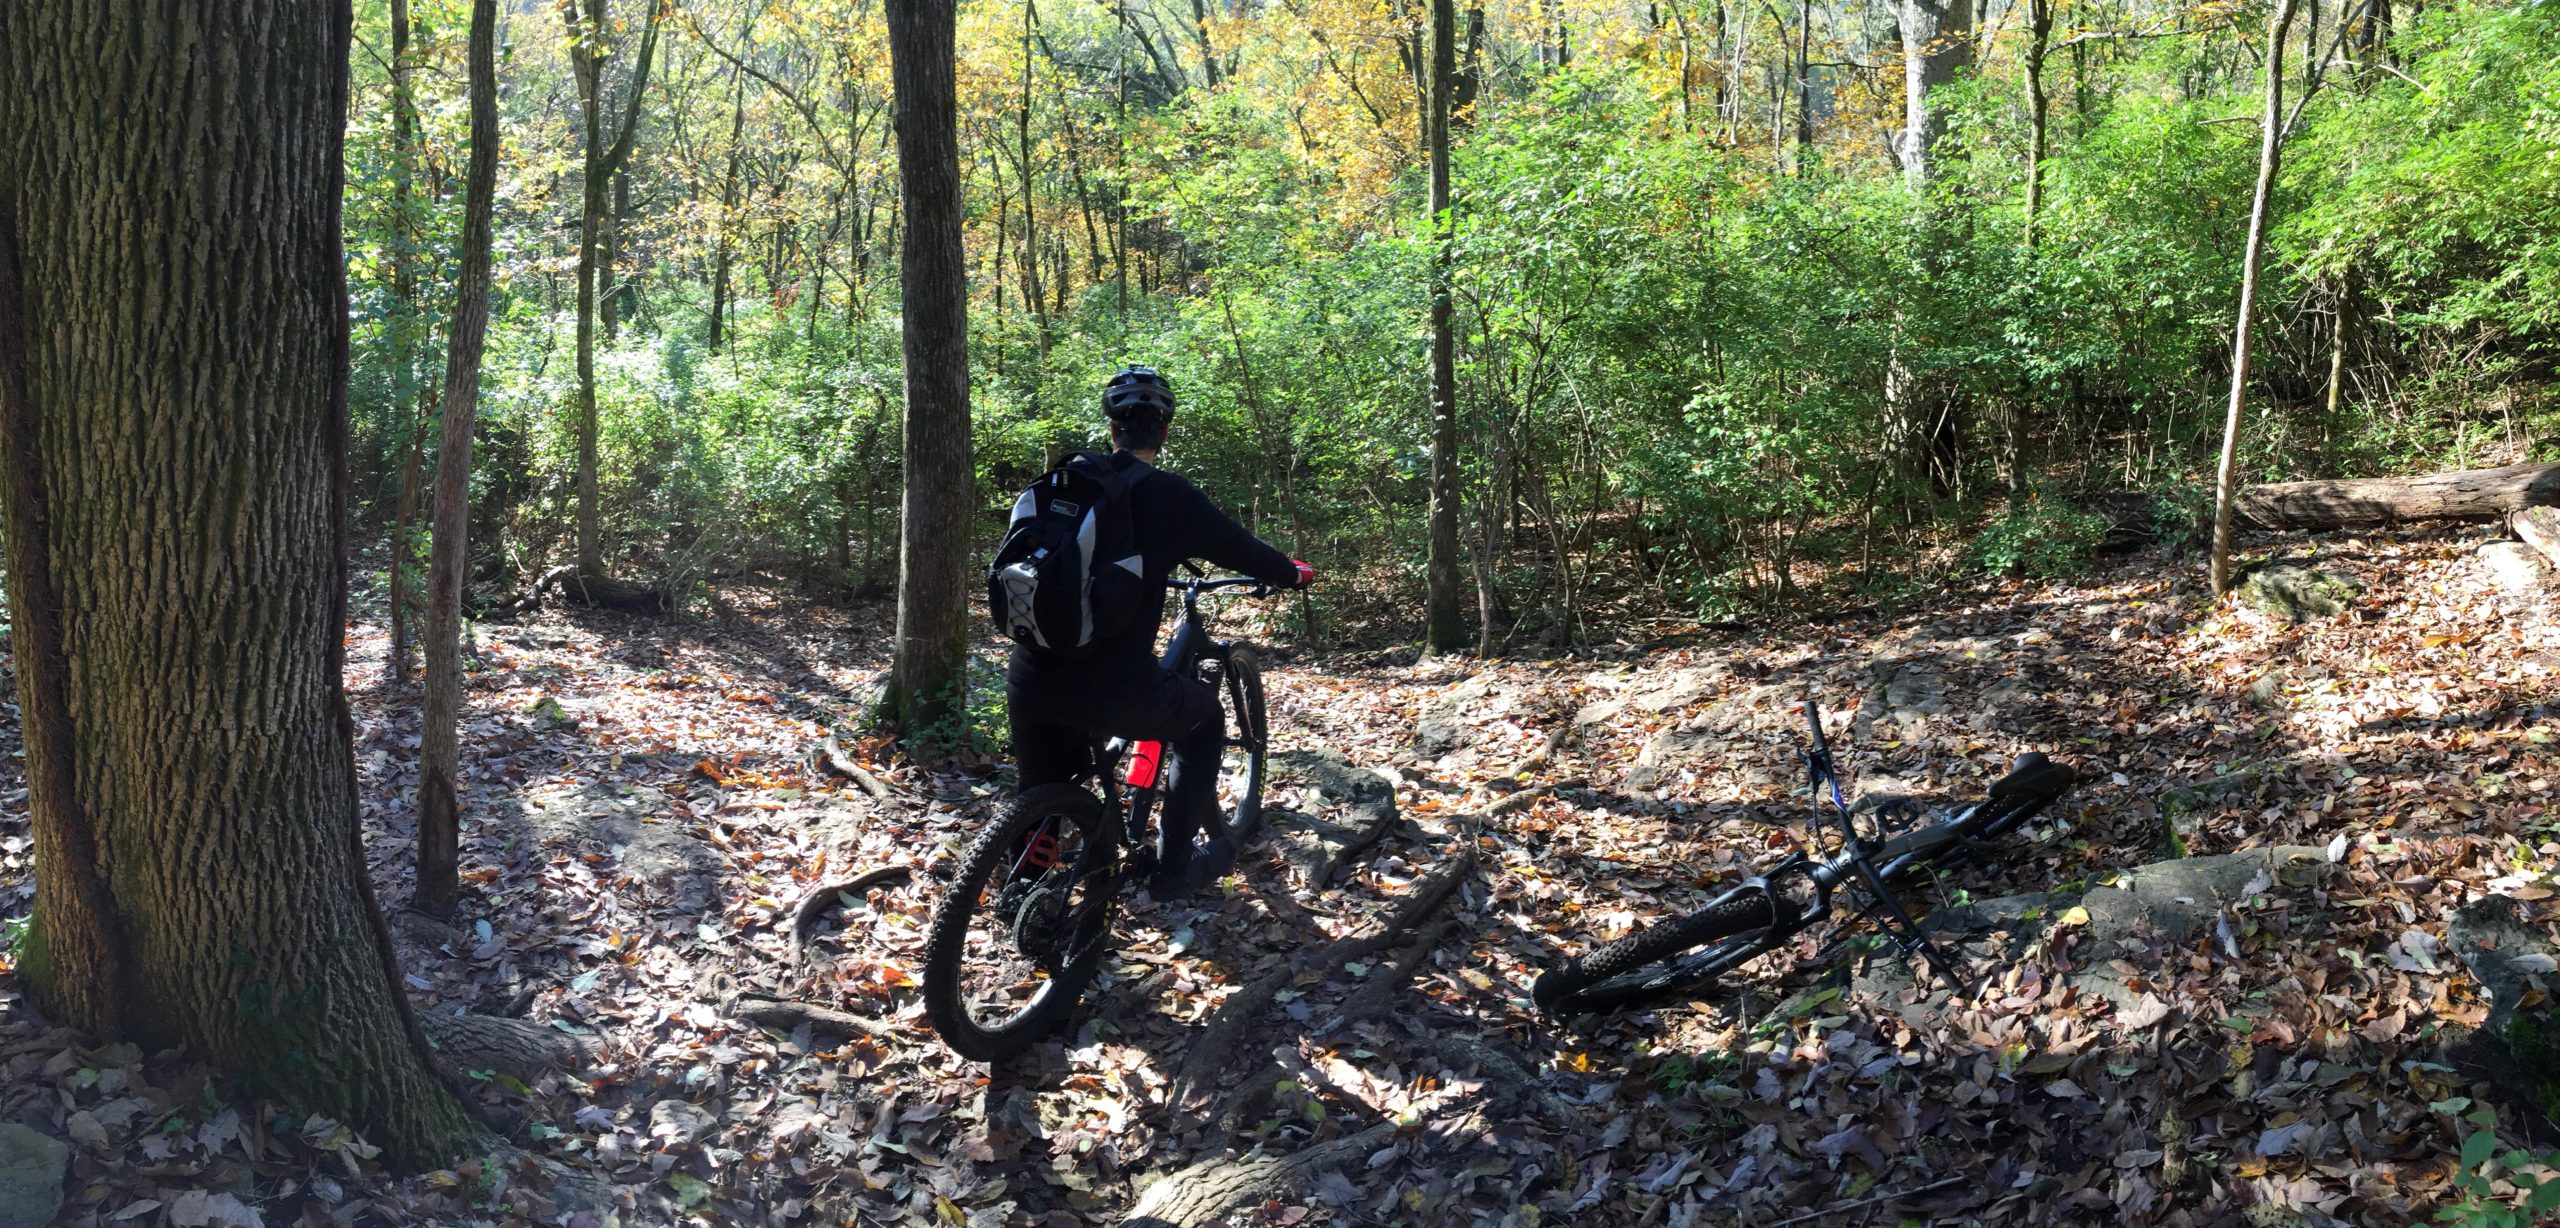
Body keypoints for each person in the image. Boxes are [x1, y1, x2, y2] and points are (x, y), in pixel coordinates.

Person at [1004, 365, 1314, 898]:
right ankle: (1172, 869)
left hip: (1031, 672)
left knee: (1041, 786)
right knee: (1205, 722)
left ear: (1112, 430)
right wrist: (1292, 572)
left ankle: (1024, 892)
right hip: (1113, 685)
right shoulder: (1170, 496)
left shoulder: (1064, 482)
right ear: (1163, 432)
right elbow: (1246, 552)